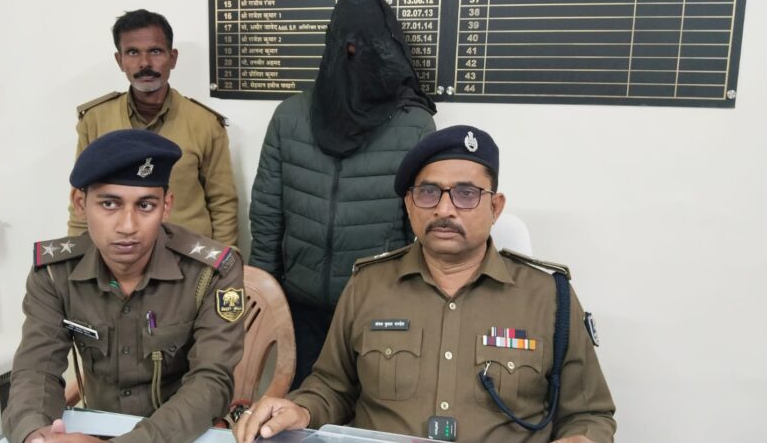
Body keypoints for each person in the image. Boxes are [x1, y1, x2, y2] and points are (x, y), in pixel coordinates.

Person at [235, 125, 616, 442]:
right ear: (409, 204)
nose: (445, 209)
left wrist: (582, 438)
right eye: (429, 193)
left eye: (466, 194)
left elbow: (590, 414)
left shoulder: (548, 296)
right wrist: (300, 408)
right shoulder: (369, 285)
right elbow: (332, 387)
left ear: (495, 207)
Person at [248, 0, 436, 389]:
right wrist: (264, 293)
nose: (355, 57)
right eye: (346, 47)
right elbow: (267, 213)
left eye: (365, 47)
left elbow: (422, 226)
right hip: (301, 306)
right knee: (302, 410)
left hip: (381, 306)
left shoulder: (414, 126)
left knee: (376, 411)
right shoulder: (290, 117)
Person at [3, 130, 245, 443]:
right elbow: (36, 371)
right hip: (96, 430)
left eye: (145, 206)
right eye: (109, 204)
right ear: (80, 203)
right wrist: (36, 437)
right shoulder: (54, 274)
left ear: (166, 206)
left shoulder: (210, 273)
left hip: (185, 435)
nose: (128, 226)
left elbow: (210, 382)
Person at [68, 9, 238, 247]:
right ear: (119, 60)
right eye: (133, 52)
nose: (145, 63)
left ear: (173, 58)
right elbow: (81, 200)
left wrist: (223, 261)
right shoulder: (95, 120)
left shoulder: (205, 123)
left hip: (187, 257)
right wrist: (77, 256)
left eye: (155, 51)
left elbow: (223, 204)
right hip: (117, 254)